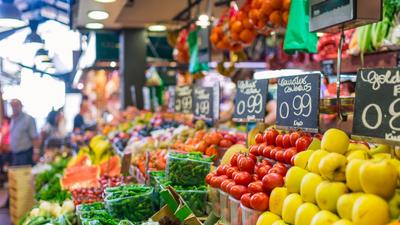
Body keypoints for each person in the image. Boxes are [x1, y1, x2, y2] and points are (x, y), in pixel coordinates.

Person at [9, 99, 39, 166]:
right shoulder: (12, 119)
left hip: (26, 154)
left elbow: (35, 137)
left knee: (25, 174)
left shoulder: (28, 119)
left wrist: (36, 152)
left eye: (16, 106)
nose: (14, 108)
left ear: (21, 106)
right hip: (15, 154)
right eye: (12, 106)